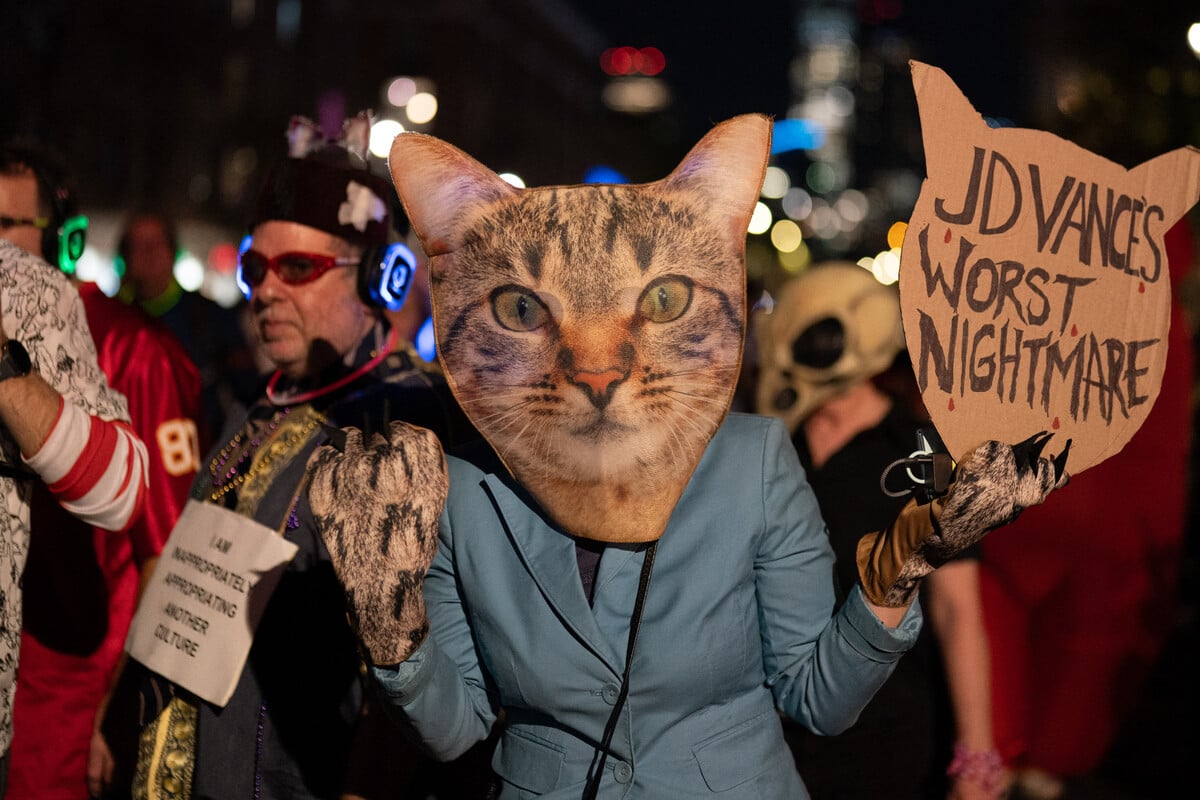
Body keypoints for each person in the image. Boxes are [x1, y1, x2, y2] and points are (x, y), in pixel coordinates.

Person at [305, 114, 1068, 798]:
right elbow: (454, 729)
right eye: (523, 308)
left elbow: (820, 702)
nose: (597, 368)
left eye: (660, 301)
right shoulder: (464, 488)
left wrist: (897, 567)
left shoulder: (754, 461)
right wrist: (391, 630)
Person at [116, 112, 476, 800]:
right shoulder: (262, 399)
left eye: (299, 268)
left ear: (383, 279)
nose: (265, 290)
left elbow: (418, 664)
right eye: (256, 266)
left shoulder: (409, 418)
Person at [0, 140, 203, 800]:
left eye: (9, 228)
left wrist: (115, 708)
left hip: (73, 671)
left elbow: (164, 547)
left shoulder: (137, 347)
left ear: (62, 233)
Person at [754, 262, 1001, 799]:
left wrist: (976, 755)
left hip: (888, 739)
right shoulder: (766, 447)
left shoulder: (924, 452)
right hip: (771, 739)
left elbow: (956, 607)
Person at [979, 218, 1196, 800]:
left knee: (1006, 713)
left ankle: (1006, 765)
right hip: (1094, 545)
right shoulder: (1159, 331)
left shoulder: (1036, 314)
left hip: (1036, 529)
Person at [115, 209, 259, 439]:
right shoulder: (114, 327)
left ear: (172, 251)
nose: (149, 254)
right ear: (125, 257)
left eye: (156, 243)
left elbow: (249, 395)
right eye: (139, 245)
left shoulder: (212, 318)